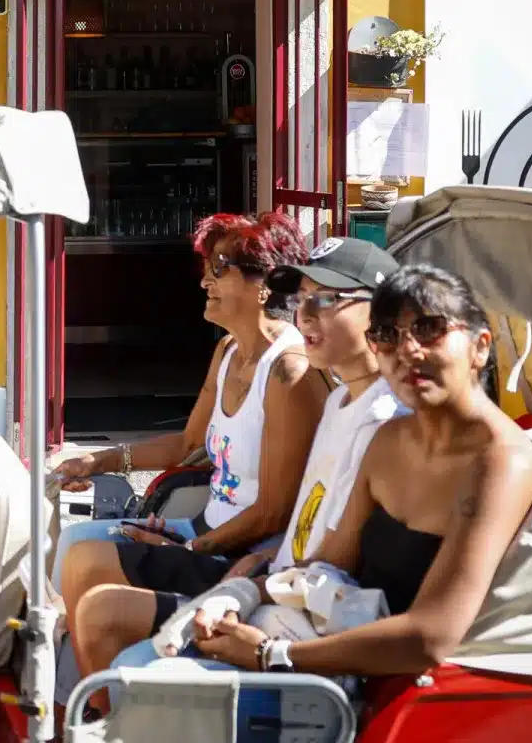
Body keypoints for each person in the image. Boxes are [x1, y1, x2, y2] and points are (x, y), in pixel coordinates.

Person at [81, 264, 532, 711]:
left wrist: (270, 655)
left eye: (428, 329)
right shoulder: (388, 440)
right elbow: (324, 561)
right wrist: (238, 595)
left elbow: (431, 635)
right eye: (388, 335)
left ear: (481, 346)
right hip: (315, 628)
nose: (408, 352)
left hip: (370, 680)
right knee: (127, 659)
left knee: (144, 681)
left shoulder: (501, 459)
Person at [71, 237, 409, 683]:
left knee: (115, 636)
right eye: (303, 298)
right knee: (91, 589)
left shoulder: (380, 419)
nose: (305, 314)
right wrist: (262, 559)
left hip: (296, 620)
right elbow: (307, 517)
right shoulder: (342, 398)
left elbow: (329, 550)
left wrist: (238, 577)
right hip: (268, 580)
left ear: (382, 315)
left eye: (327, 299)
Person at [48, 214, 349, 629]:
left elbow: (273, 514)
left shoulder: (288, 373)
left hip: (243, 556)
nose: (205, 282)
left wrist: (187, 547)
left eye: (219, 269)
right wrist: (96, 462)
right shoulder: (227, 351)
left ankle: (84, 685)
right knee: (73, 540)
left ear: (263, 285)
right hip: (205, 530)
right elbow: (189, 444)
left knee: (87, 561)